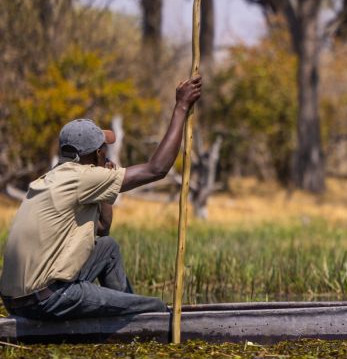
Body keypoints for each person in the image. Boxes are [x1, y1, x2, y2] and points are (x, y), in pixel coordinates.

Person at [1, 76, 204, 320]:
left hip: (19, 299)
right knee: (154, 309)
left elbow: (102, 230)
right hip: (46, 299)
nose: (107, 152)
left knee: (107, 248)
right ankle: (136, 318)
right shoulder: (82, 178)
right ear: (98, 153)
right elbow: (156, 169)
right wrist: (181, 106)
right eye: (104, 148)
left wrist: (105, 185)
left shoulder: (55, 177)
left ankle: (121, 310)